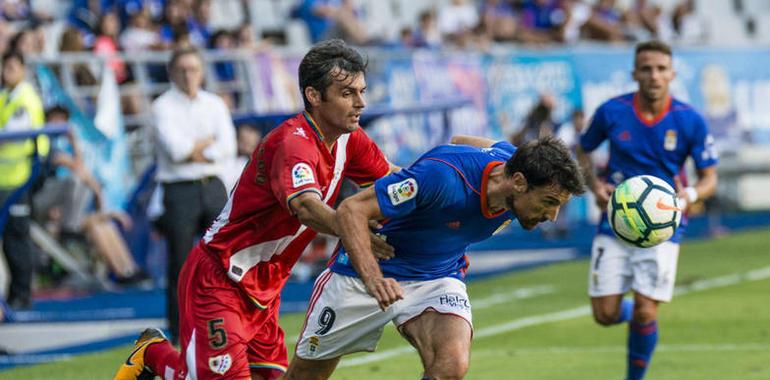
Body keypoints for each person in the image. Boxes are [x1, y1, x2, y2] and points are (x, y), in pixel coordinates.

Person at [114, 39, 395, 380]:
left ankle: (158, 355)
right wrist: (353, 231)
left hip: (265, 287)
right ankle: (154, 354)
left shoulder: (350, 139)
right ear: (314, 95)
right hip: (220, 278)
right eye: (348, 93)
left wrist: (440, 173)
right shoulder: (293, 144)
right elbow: (306, 208)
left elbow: (392, 181)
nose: (361, 103)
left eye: (361, 91)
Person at [286, 135, 585, 379]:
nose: (552, 216)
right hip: (367, 274)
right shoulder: (441, 179)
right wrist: (374, 278)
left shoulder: (513, 164)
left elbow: (460, 139)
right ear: (518, 182)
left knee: (450, 365)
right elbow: (351, 210)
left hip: (437, 277)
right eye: (549, 202)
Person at [577, 40, 718, 380]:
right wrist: (596, 188)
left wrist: (689, 195)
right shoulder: (612, 111)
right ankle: (640, 313)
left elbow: (709, 178)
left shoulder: (690, 120)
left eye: (660, 69)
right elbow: (582, 153)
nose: (654, 75)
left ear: (672, 73)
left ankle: (637, 364)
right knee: (605, 314)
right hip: (616, 220)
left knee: (644, 309)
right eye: (646, 69)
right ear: (635, 74)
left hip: (664, 226)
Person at [152, 46, 236, 343]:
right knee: (180, 262)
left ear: (201, 72)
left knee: (224, 259)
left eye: (194, 69)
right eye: (183, 70)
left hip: (212, 184)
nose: (189, 76)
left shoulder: (213, 104)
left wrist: (196, 149)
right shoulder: (162, 106)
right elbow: (176, 152)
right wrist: (204, 147)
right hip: (179, 189)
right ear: (172, 73)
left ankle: (228, 323)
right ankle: (180, 331)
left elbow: (227, 148)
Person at [0, 50, 48, 310]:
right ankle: (13, 293)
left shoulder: (24, 99)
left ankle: (22, 293)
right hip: (5, 179)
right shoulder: (5, 96)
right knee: (8, 238)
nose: (6, 72)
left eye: (11, 67)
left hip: (21, 178)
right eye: (4, 67)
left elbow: (13, 135)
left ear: (22, 69)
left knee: (17, 238)